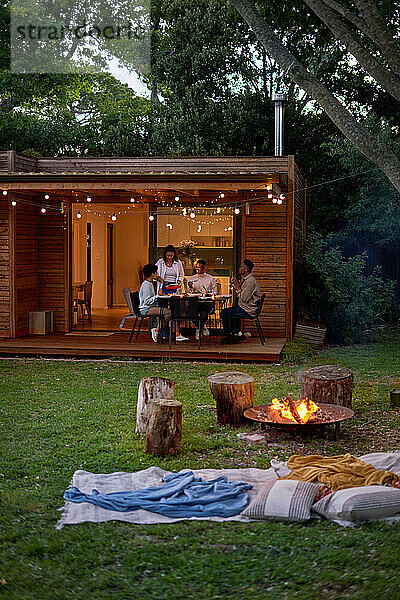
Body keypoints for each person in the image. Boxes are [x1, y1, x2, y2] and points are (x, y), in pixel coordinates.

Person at [221, 259, 261, 343]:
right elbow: (242, 296)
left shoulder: (250, 281)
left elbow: (244, 299)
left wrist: (238, 288)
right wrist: (238, 288)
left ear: (246, 269)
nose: (239, 269)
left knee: (225, 312)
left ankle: (229, 335)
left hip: (248, 310)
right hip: (245, 307)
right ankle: (236, 333)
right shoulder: (247, 280)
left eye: (241, 267)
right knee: (230, 311)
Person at [155, 245, 187, 341]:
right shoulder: (160, 262)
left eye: (171, 256)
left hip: (174, 288)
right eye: (168, 255)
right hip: (163, 287)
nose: (169, 257)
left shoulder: (178, 263)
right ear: (165, 255)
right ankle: (164, 332)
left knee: (175, 310)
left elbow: (181, 275)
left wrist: (179, 281)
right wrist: (159, 279)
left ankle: (177, 333)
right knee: (163, 311)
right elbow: (155, 274)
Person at [139, 264, 171, 343]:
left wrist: (158, 296)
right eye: (156, 272)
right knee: (168, 312)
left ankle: (157, 330)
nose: (157, 274)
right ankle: (156, 330)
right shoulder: (146, 285)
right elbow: (147, 301)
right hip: (146, 309)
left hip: (148, 307)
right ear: (152, 273)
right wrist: (158, 296)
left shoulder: (149, 283)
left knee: (167, 311)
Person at [187, 260, 217, 339]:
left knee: (204, 312)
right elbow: (188, 292)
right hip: (195, 301)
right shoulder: (191, 278)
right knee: (189, 313)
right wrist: (190, 287)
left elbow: (215, 292)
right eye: (196, 267)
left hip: (206, 302)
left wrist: (208, 293)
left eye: (199, 267)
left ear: (204, 267)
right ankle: (202, 326)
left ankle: (198, 329)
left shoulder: (210, 278)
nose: (197, 269)